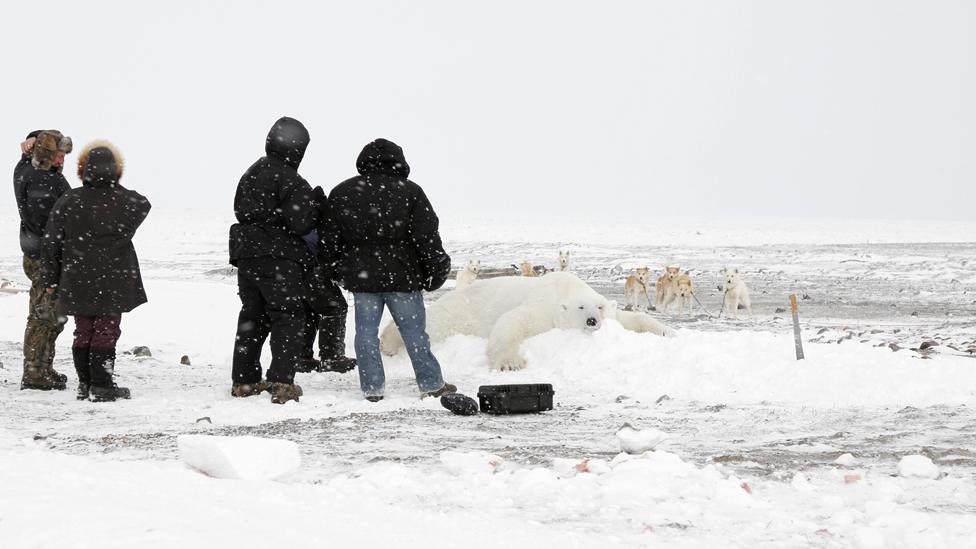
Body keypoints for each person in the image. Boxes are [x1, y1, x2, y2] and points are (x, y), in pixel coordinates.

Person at [320, 138, 456, 402]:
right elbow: (426, 236)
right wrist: (436, 269)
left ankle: (372, 389)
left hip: (363, 278)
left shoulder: (343, 192)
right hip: (402, 275)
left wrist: (335, 269)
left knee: (365, 334)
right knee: (415, 333)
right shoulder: (411, 192)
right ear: (399, 161)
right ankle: (431, 384)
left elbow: (330, 239)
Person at [41, 141, 151, 401]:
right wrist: (113, 184)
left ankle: (85, 384)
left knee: (83, 329)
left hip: (77, 275)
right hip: (112, 277)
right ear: (115, 170)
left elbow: (50, 242)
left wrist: (50, 278)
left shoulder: (69, 199)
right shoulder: (124, 200)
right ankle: (101, 385)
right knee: (106, 329)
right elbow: (143, 203)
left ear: (83, 170)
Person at [228, 117, 321, 404]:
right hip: (279, 255)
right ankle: (282, 382)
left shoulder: (250, 173)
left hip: (247, 254)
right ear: (298, 149)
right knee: (288, 315)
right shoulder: (289, 178)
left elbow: (241, 210)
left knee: (252, 316)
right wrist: (316, 203)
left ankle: (244, 381)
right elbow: (301, 222)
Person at [13, 129, 73, 391]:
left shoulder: (27, 168)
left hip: (36, 252)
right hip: (45, 257)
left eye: (63, 155)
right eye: (57, 154)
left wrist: (29, 142)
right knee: (44, 316)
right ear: (43, 154)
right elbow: (48, 224)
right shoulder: (43, 179)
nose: (62, 160)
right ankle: (36, 373)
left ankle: (42, 367)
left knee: (46, 314)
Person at [296, 230, 357, 374]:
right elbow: (322, 240)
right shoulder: (315, 216)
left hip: (297, 262)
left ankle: (301, 356)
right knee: (334, 307)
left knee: (309, 308)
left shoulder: (295, 212)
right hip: (312, 262)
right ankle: (332, 357)